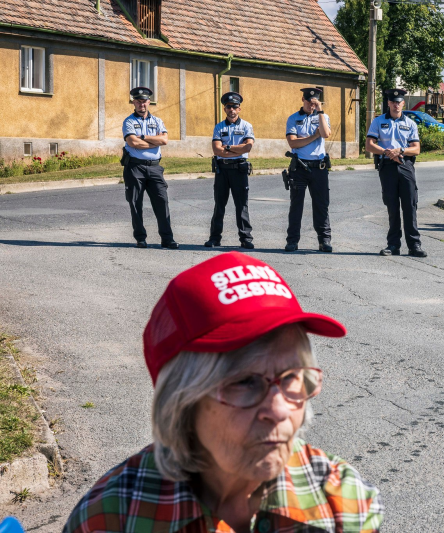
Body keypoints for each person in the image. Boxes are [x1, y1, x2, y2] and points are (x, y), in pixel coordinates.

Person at [64, 251, 384, 533]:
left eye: (291, 378)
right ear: (182, 403)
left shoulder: (342, 500)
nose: (280, 411)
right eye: (244, 381)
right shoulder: (112, 518)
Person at [365, 88, 427, 258]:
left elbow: (416, 149)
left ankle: (414, 245)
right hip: (387, 167)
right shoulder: (378, 121)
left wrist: (400, 150)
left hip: (405, 165)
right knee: (392, 207)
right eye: (393, 102)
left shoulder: (411, 124)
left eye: (398, 102)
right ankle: (393, 245)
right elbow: (369, 145)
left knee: (410, 206)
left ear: (403, 104)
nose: (396, 105)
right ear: (388, 103)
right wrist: (387, 152)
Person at [121, 87, 178, 249]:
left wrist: (144, 137)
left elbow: (164, 140)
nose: (141, 104)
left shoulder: (157, 121)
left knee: (162, 202)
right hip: (135, 167)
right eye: (138, 101)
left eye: (144, 101)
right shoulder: (129, 121)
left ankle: (167, 239)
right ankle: (140, 238)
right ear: (134, 102)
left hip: (154, 168)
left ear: (149, 102)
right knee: (135, 203)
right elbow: (133, 143)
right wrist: (154, 141)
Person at [284, 87, 333, 253]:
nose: (311, 105)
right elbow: (293, 143)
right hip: (299, 168)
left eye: (314, 103)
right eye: (309, 102)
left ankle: (324, 240)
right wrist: (313, 137)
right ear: (303, 100)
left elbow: (325, 134)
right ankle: (292, 241)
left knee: (321, 205)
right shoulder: (293, 119)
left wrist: (320, 112)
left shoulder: (323, 116)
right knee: (296, 205)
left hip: (319, 167)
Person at [205, 92, 255, 249]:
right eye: (228, 107)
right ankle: (214, 238)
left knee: (242, 206)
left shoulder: (246, 126)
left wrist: (227, 147)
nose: (232, 109)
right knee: (219, 205)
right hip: (223, 170)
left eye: (234, 107)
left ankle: (246, 238)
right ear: (224, 109)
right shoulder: (219, 127)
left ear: (239, 109)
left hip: (239, 170)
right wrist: (235, 149)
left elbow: (248, 147)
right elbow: (216, 150)